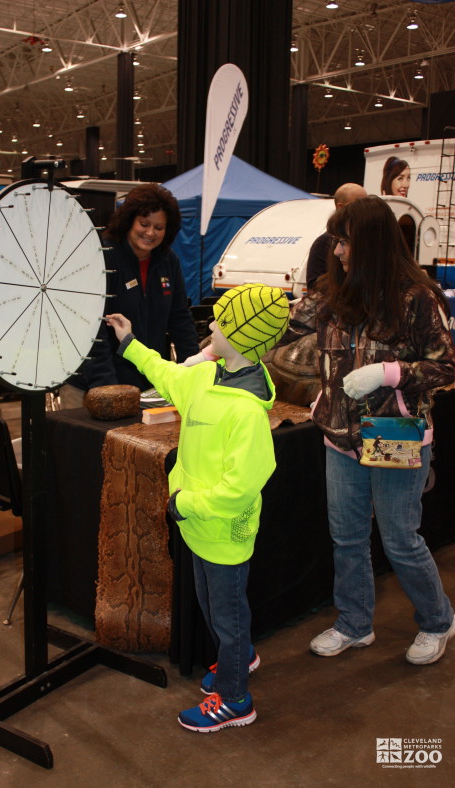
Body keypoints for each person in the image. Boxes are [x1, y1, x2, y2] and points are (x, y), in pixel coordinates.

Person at [278, 195, 455, 665]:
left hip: (394, 431)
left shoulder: (417, 298)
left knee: (400, 537)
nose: (336, 251)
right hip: (339, 437)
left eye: (343, 241)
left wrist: (389, 373)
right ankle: (355, 624)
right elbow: (284, 325)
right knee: (348, 535)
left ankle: (437, 620)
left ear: (371, 243)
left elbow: (445, 368)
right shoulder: (332, 294)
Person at [106, 283, 290, 732]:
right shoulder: (207, 377)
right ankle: (241, 656)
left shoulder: (246, 413)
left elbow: (241, 488)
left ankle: (234, 699)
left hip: (223, 532)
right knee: (214, 606)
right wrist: (129, 343)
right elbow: (166, 373)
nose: (211, 326)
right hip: (196, 525)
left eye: (222, 323)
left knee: (224, 615)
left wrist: (186, 502)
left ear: (243, 337)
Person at [59, 183, 199, 408]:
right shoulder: (102, 256)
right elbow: (91, 329)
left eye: (159, 227)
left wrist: (194, 372)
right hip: (93, 386)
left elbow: (180, 318)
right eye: (144, 224)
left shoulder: (168, 261)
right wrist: (107, 389)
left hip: (146, 385)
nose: (150, 233)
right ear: (129, 221)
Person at [306, 182, 367, 291]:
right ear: (340, 207)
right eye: (358, 204)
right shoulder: (323, 243)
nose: (337, 251)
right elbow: (314, 287)